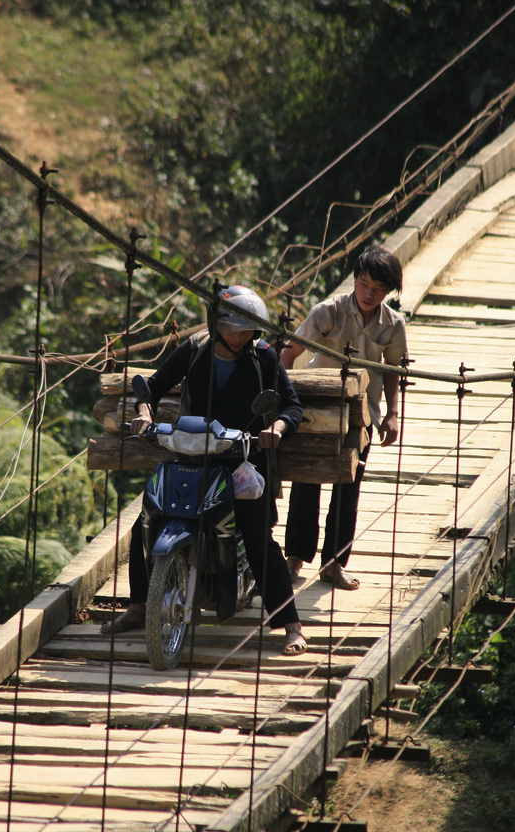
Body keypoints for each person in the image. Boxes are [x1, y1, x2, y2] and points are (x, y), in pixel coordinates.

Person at [101, 285, 308, 655]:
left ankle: (290, 623)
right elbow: (151, 386)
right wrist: (144, 414)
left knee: (257, 534)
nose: (241, 337)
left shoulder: (264, 359)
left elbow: (292, 407)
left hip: (240, 459)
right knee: (144, 522)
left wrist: (275, 429)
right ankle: (138, 605)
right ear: (216, 325)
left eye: (248, 330)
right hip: (190, 455)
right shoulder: (194, 351)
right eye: (234, 329)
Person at [282, 244, 407, 589]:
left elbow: (394, 370)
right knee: (306, 483)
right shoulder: (328, 312)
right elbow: (289, 353)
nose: (369, 293)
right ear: (355, 280)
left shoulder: (394, 325)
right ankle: (295, 557)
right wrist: (285, 401)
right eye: (364, 284)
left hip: (362, 415)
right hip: (317, 411)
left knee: (347, 488)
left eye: (378, 289)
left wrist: (393, 414)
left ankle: (334, 564)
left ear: (388, 292)